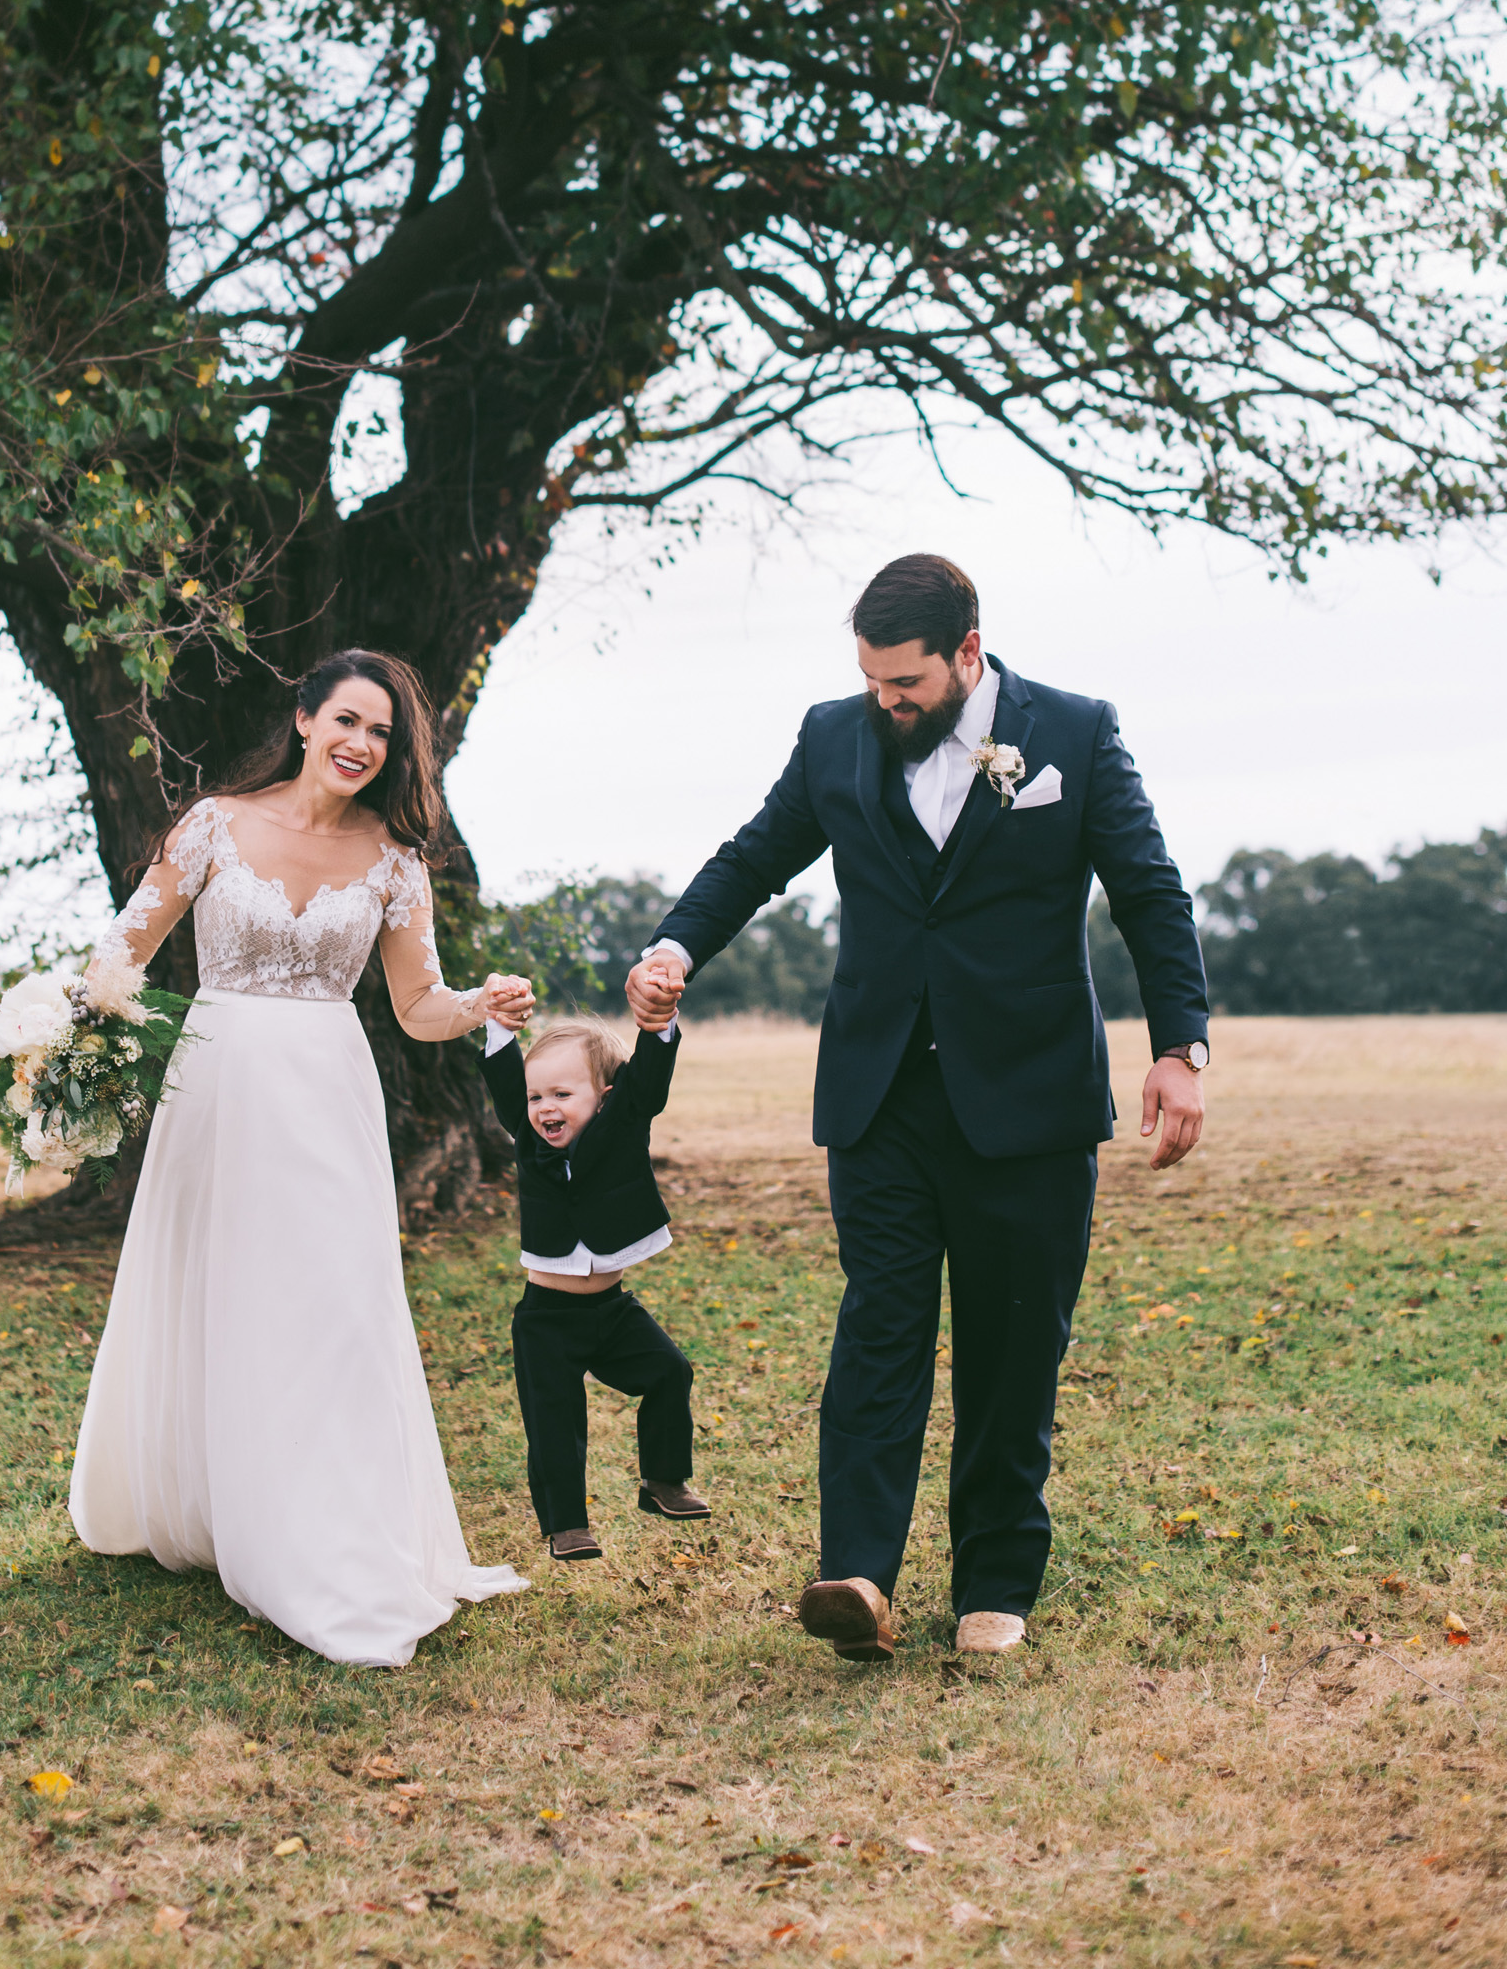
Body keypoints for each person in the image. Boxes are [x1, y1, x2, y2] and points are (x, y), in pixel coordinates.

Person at [627, 552, 1209, 1664]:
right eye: (871, 679)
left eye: (905, 683)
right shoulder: (833, 735)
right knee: (878, 1331)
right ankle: (855, 1574)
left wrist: (1176, 1048)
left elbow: (1146, 887)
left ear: (966, 654)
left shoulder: (1075, 734)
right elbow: (756, 854)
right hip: (878, 1090)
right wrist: (673, 945)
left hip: (1027, 1100)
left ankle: (994, 1583)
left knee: (1009, 1347)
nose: (885, 700)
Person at [67, 648, 534, 1667]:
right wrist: (62, 1036)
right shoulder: (212, 826)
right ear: (305, 717)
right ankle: (221, 1502)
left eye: (383, 734)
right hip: (218, 1085)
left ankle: (332, 1538)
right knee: (222, 1291)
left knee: (334, 1307)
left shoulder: (393, 859)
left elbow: (416, 1006)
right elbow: (121, 957)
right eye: (350, 722)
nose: (363, 745)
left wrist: (479, 1006)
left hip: (326, 1090)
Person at [479, 1015, 709, 1560]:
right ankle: (566, 1526)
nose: (544, 1108)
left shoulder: (623, 1122)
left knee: (669, 1371)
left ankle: (663, 1480)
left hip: (613, 1311)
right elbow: (505, 1080)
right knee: (554, 1421)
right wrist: (497, 1024)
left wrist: (659, 1024)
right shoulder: (528, 1134)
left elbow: (649, 1079)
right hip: (546, 1320)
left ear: (604, 1098)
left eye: (562, 1093)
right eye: (537, 1096)